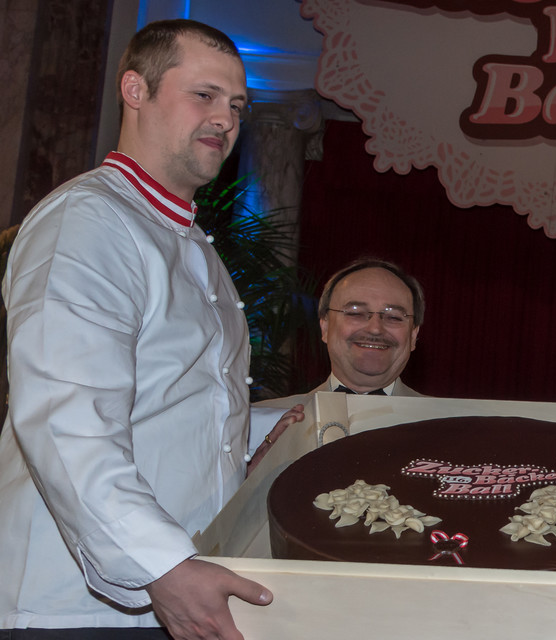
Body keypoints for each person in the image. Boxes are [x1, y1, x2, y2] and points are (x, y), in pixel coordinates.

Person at [0, 19, 302, 640]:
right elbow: (65, 417)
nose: (225, 118)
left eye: (237, 105)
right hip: (77, 606)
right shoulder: (89, 220)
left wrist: (268, 433)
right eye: (204, 95)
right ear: (135, 90)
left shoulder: (191, 243)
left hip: (166, 585)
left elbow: (175, 403)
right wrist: (164, 565)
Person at [314, 258, 425, 396]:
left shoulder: (445, 411)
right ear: (325, 327)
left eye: (393, 317)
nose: (375, 329)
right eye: (356, 313)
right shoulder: (288, 409)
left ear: (413, 335)